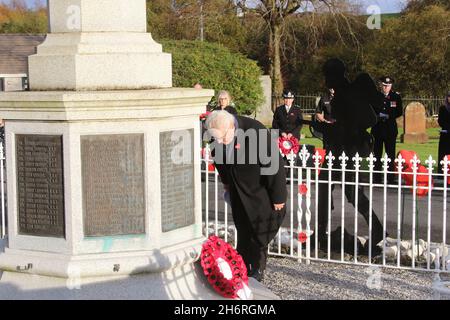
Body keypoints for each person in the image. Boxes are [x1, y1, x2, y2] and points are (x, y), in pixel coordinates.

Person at [205, 110, 287, 281]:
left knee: (260, 231)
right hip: (237, 189)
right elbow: (219, 159)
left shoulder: (255, 131)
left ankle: (257, 269)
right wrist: (226, 181)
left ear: (231, 126)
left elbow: (274, 165)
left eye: (223, 137)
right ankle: (241, 266)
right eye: (216, 138)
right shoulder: (217, 132)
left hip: (259, 189)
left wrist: (278, 196)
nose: (219, 141)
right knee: (243, 229)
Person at [317, 58, 385, 256]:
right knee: (341, 191)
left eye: (327, 75)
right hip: (342, 150)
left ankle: (321, 233)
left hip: (344, 152)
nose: (326, 80)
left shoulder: (345, 95)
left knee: (348, 192)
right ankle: (321, 232)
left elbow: (348, 126)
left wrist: (328, 128)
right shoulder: (342, 94)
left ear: (335, 75)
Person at [371, 76, 403, 183]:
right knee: (377, 154)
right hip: (378, 128)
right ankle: (376, 177)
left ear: (391, 86)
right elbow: (371, 109)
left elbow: (399, 111)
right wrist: (378, 115)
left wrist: (389, 115)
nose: (386, 88)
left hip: (390, 129)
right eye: (384, 85)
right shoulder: (375, 96)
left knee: (390, 154)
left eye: (388, 86)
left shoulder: (396, 97)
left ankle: (390, 178)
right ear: (381, 85)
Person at [438, 91, 450, 174]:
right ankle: (442, 173)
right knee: (443, 153)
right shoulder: (443, 108)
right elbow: (440, 121)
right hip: (445, 133)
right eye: (449, 96)